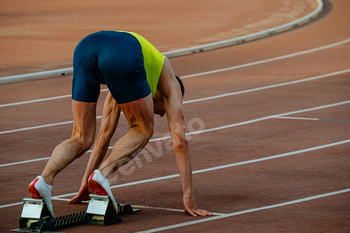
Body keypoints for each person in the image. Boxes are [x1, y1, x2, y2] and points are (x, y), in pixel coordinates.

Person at [28, 30, 212, 218]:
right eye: (164, 111)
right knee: (143, 129)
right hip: (123, 51)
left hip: (85, 48)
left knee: (81, 137)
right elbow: (180, 142)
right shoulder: (171, 86)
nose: (161, 114)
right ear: (165, 99)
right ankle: (103, 175)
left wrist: (86, 180)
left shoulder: (128, 81)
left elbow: (104, 134)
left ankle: (44, 180)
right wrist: (189, 197)